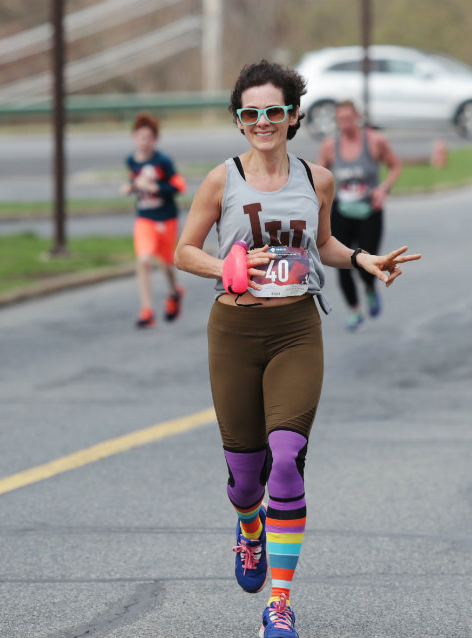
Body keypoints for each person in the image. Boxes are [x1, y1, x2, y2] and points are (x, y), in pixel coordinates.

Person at [174, 60, 420, 638]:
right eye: (252, 113)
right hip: (233, 333)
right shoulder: (221, 180)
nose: (264, 121)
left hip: (296, 329)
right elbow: (184, 252)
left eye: (275, 111)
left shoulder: (318, 180)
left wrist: (362, 259)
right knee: (245, 480)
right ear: (240, 121)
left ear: (293, 116)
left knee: (286, 459)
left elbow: (325, 242)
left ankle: (279, 605)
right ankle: (249, 527)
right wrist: (226, 264)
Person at [317, 100, 402, 332]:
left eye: (348, 119)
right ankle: (354, 310)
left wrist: (383, 189)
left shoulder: (375, 141)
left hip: (369, 211)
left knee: (368, 260)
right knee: (344, 262)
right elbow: (320, 176)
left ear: (357, 117)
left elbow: (395, 165)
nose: (345, 124)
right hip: (342, 211)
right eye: (340, 120)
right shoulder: (329, 146)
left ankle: (369, 288)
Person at [120, 111, 187, 328]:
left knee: (166, 265)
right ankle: (147, 310)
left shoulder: (163, 162)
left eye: (148, 138)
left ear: (155, 140)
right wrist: (130, 187)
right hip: (145, 219)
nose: (144, 142)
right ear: (134, 138)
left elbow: (179, 186)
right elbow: (134, 179)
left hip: (166, 218)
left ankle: (174, 292)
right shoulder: (131, 160)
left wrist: (155, 187)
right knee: (144, 261)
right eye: (140, 137)